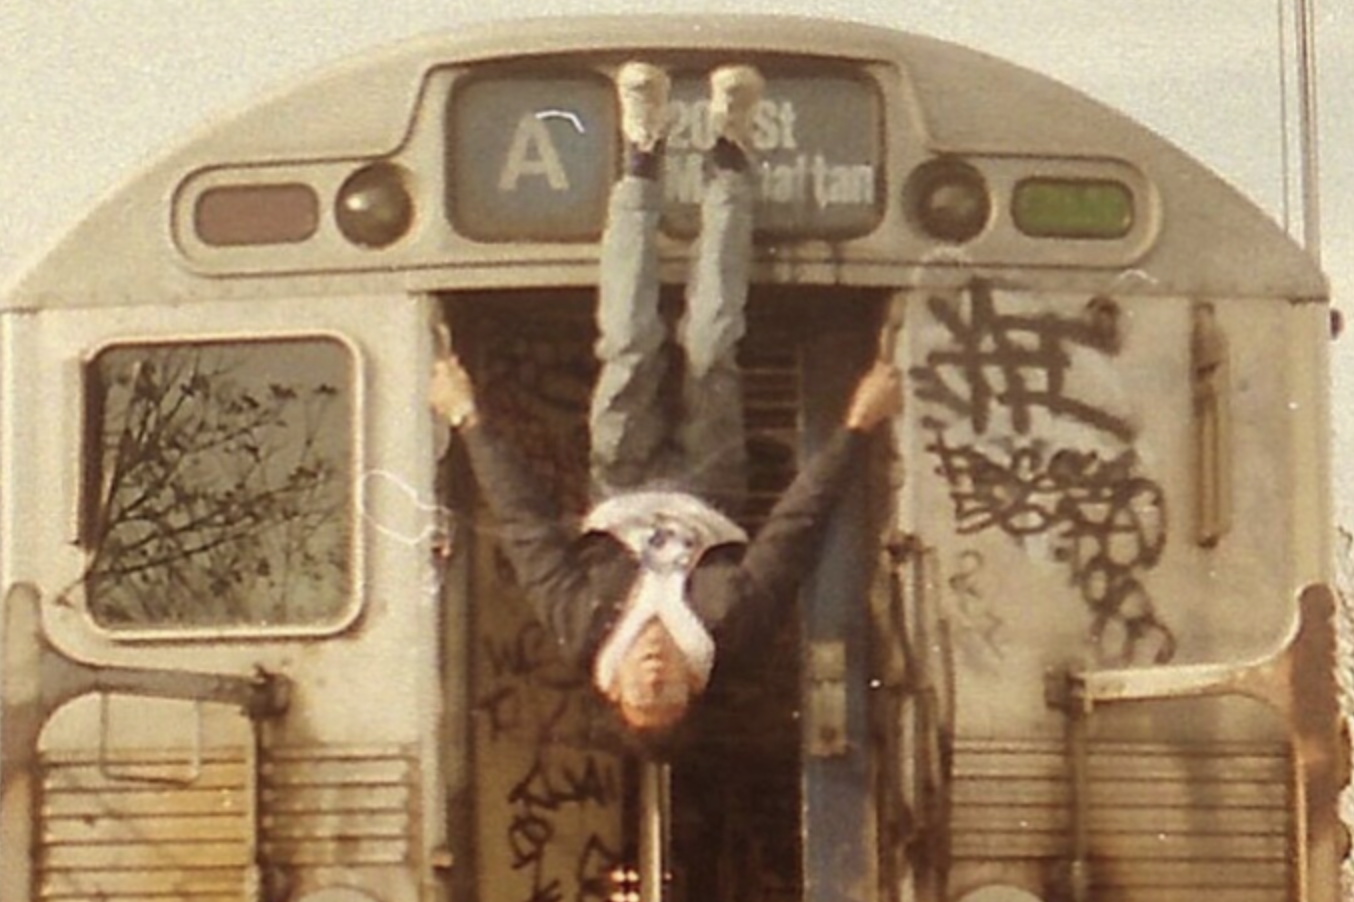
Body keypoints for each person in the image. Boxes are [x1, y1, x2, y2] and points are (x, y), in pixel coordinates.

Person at [431, 61, 903, 741]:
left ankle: (640, 156)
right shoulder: (734, 625)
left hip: (620, 476)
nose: (653, 675)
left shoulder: (582, 622)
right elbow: (793, 531)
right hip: (711, 485)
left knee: (627, 343)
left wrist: (465, 416)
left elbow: (527, 525)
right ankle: (731, 153)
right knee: (712, 341)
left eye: (639, 692)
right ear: (691, 685)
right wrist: (857, 427)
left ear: (614, 683)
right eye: (667, 693)